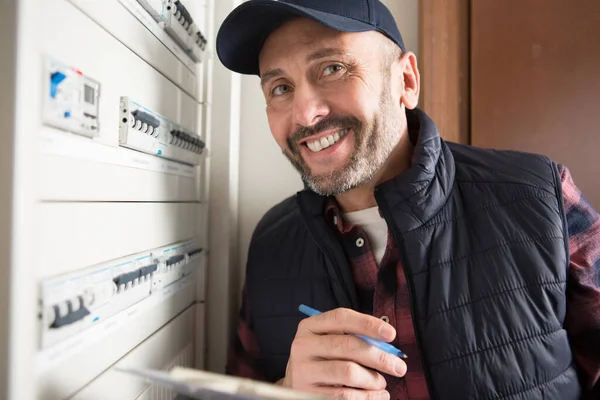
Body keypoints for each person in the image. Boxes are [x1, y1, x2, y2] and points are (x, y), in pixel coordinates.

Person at [215, 1, 600, 399]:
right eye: (280, 88)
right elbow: (239, 388)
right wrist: (285, 392)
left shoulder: (542, 197)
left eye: (332, 68)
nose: (306, 113)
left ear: (407, 81)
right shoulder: (269, 245)